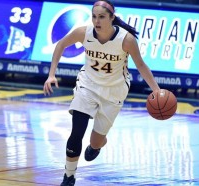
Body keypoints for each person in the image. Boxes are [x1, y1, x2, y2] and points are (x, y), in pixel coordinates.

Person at [43, 0, 160, 185]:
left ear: (112, 18)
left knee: (95, 142)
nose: (97, 21)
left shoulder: (126, 39)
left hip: (115, 90)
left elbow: (141, 65)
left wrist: (157, 91)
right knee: (76, 132)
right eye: (94, 17)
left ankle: (97, 146)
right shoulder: (84, 32)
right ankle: (69, 176)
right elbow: (60, 45)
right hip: (87, 86)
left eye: (102, 17)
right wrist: (51, 75)